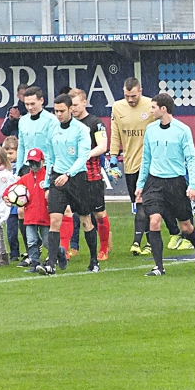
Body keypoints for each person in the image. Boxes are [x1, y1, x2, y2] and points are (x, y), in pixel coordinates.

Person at [136, 94, 195, 276]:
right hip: (155, 182)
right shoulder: (150, 130)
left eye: (153, 107)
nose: (150, 111)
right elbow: (146, 158)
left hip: (175, 183)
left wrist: (192, 185)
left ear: (163, 109)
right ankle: (159, 266)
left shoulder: (182, 130)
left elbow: (191, 159)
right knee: (154, 220)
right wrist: (141, 183)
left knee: (186, 227)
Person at [40, 92, 99, 274]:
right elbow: (50, 156)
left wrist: (69, 173)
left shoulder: (81, 130)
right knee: (55, 220)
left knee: (85, 220)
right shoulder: (52, 130)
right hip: (58, 178)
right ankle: (51, 263)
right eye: (56, 111)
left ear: (70, 110)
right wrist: (47, 179)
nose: (58, 114)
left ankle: (94, 260)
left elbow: (83, 157)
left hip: (77, 179)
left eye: (62, 111)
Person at [110, 77, 162, 255]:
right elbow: (115, 133)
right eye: (127, 96)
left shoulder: (151, 106)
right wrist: (113, 159)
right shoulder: (117, 107)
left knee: (144, 204)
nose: (130, 100)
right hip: (130, 165)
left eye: (133, 96)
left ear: (140, 91)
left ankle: (142, 242)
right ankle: (155, 238)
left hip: (150, 165)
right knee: (138, 204)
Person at [69, 89, 111, 261]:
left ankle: (103, 249)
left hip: (92, 176)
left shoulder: (95, 123)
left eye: (76, 105)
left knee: (98, 214)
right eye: (70, 106)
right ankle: (70, 247)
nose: (73, 109)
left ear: (84, 102)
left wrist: (85, 155)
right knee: (70, 212)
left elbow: (103, 146)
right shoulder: (68, 124)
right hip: (73, 176)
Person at [14, 147, 51, 270]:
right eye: (31, 162)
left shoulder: (47, 177)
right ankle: (35, 264)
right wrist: (6, 197)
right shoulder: (25, 179)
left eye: (36, 162)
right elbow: (11, 189)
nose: (33, 165)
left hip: (44, 216)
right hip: (29, 216)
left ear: (43, 161)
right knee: (31, 241)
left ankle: (58, 254)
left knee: (47, 242)